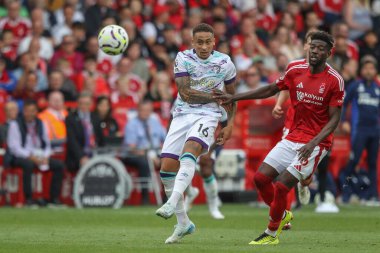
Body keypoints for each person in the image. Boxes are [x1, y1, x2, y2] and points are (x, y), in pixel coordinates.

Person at [214, 31, 344, 245]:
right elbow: (271, 89)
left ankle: (271, 233)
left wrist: (312, 144)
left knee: (283, 185)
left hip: (317, 143)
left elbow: (334, 120)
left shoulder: (334, 81)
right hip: (293, 136)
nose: (315, 51)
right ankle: (282, 215)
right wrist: (234, 97)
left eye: (321, 49)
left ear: (329, 53)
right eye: (313, 47)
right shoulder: (294, 69)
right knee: (260, 179)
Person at [155, 23, 237, 244]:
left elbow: (231, 96)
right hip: (182, 114)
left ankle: (172, 202)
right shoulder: (182, 58)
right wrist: (216, 96)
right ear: (192, 42)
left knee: (189, 153)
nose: (203, 46)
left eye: (207, 42)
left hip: (208, 116)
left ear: (213, 42)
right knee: (166, 170)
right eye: (199, 42)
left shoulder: (225, 63)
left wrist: (229, 124)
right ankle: (183, 223)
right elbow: (185, 93)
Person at [5, 100, 64, 207]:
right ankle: (29, 199)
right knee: (28, 165)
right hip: (20, 156)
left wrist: (45, 156)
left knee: (59, 165)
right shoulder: (15, 124)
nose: (30, 114)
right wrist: (30, 156)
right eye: (28, 111)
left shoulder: (41, 123)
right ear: (23, 112)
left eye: (33, 111)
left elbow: (47, 144)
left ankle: (53, 199)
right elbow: (14, 147)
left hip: (39, 155)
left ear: (36, 111)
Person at [341, 55, 380, 206]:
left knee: (372, 163)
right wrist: (344, 121)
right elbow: (344, 104)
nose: (368, 71)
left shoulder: (377, 88)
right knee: (354, 161)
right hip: (359, 131)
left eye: (371, 68)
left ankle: (373, 196)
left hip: (375, 131)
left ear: (375, 70)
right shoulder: (356, 86)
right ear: (361, 70)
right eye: (365, 68)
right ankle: (345, 192)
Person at [123, 99, 166, 205]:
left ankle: (167, 197)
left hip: (155, 153)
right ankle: (145, 198)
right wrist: (150, 156)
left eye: (148, 110)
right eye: (143, 110)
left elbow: (165, 140)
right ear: (138, 110)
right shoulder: (132, 124)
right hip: (135, 155)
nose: (145, 113)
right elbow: (132, 147)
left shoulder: (155, 122)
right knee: (145, 163)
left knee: (168, 162)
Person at [65, 92, 104, 172]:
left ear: (91, 104)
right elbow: (72, 142)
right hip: (78, 155)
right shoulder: (71, 118)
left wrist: (103, 154)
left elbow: (101, 139)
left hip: (95, 152)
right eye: (81, 103)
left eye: (87, 104)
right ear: (77, 104)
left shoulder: (95, 118)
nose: (84, 106)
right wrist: (81, 157)